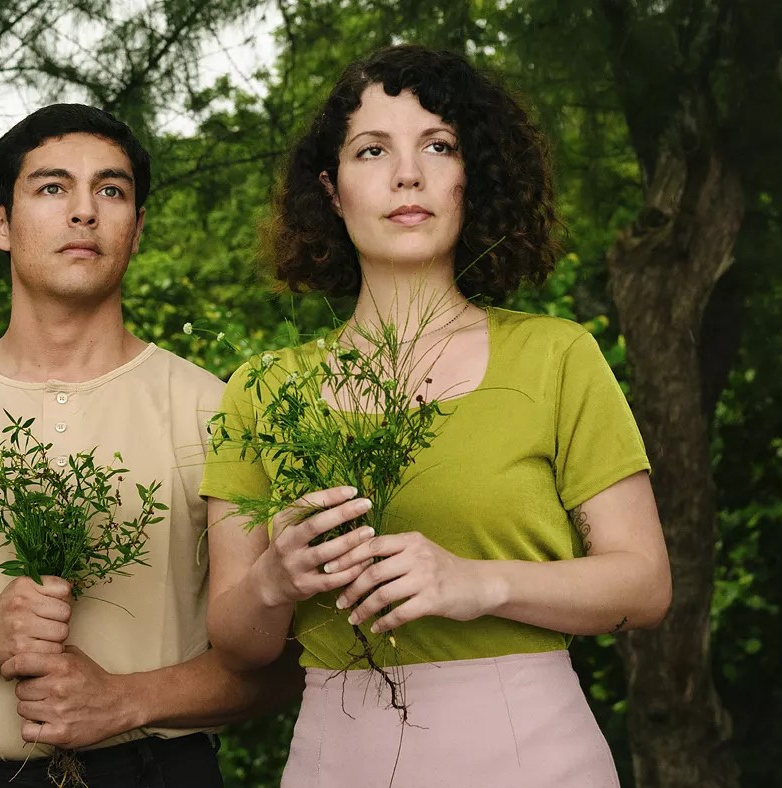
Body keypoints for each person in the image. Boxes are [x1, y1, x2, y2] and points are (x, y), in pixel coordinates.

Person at [200, 45, 672, 787]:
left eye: (439, 145)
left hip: (533, 755)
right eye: (372, 150)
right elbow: (236, 644)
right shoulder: (261, 390)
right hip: (333, 760)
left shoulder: (556, 356)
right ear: (331, 190)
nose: (407, 174)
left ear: (471, 177)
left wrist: (478, 583)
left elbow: (644, 584)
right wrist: (273, 580)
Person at [0, 104, 298, 788]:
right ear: (0, 223)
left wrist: (126, 701)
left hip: (162, 771)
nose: (84, 211)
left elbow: (286, 658)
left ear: (136, 230)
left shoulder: (218, 411)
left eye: (111, 191)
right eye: (52, 187)